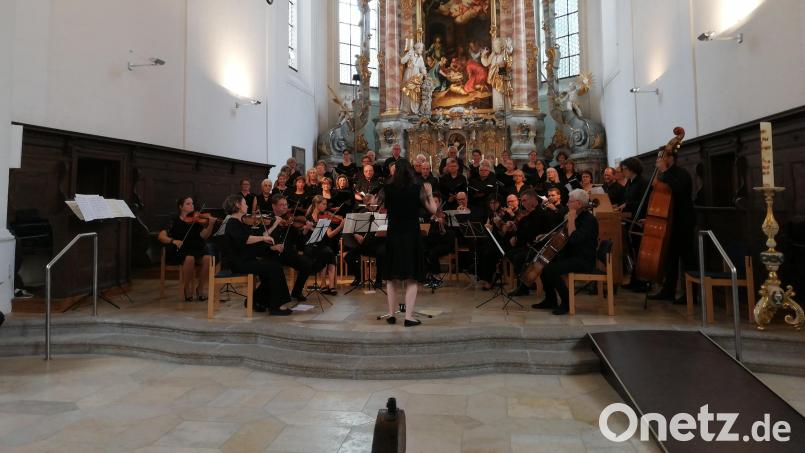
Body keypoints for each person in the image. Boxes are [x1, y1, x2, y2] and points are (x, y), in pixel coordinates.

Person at [380, 158, 439, 326]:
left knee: (392, 277)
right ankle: (408, 317)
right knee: (412, 276)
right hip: (411, 235)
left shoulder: (387, 188)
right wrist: (429, 193)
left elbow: (381, 208)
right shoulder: (417, 188)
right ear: (410, 171)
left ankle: (391, 315)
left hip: (393, 234)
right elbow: (434, 210)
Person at [221, 194, 292, 315]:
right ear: (237, 205)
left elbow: (259, 237)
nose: (247, 205)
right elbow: (246, 240)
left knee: (272, 268)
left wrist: (269, 232)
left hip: (246, 260)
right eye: (244, 203)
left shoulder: (240, 222)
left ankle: (256, 300)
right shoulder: (232, 222)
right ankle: (276, 306)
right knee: (274, 268)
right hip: (239, 263)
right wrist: (261, 238)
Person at [532, 189, 599, 315]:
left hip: (583, 260)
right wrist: (549, 235)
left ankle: (566, 302)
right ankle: (550, 300)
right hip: (572, 256)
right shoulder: (578, 216)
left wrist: (571, 220)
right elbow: (565, 235)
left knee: (551, 269)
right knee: (544, 264)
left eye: (570, 201)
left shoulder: (588, 220)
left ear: (579, 204)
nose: (567, 204)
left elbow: (574, 239)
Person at [647, 148, 696, 304]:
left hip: (683, 222)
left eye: (661, 157)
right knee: (670, 259)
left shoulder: (681, 174)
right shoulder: (665, 175)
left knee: (688, 260)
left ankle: (692, 295)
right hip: (669, 222)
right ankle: (668, 291)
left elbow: (675, 190)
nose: (658, 160)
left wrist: (663, 173)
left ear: (671, 158)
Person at [158, 196, 217, 301]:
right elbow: (161, 236)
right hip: (181, 249)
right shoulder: (174, 220)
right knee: (190, 259)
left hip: (196, 248)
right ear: (181, 207)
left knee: (208, 258)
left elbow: (204, 236)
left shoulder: (196, 220)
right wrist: (173, 241)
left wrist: (211, 225)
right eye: (188, 204)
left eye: (192, 203)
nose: (192, 206)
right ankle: (187, 288)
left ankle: (200, 288)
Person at [269, 195, 314, 302]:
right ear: (274, 206)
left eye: (286, 205)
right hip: (273, 252)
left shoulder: (289, 220)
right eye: (282, 205)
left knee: (307, 264)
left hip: (287, 252)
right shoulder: (269, 220)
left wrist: (305, 231)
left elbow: (298, 241)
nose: (285, 207)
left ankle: (296, 292)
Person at [306, 195, 344, 295]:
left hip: (323, 244)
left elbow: (330, 235)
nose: (325, 206)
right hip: (311, 245)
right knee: (325, 252)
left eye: (326, 204)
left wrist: (340, 227)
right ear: (316, 204)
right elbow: (304, 234)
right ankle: (323, 284)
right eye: (323, 204)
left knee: (329, 252)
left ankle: (331, 286)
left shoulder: (325, 217)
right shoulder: (308, 217)